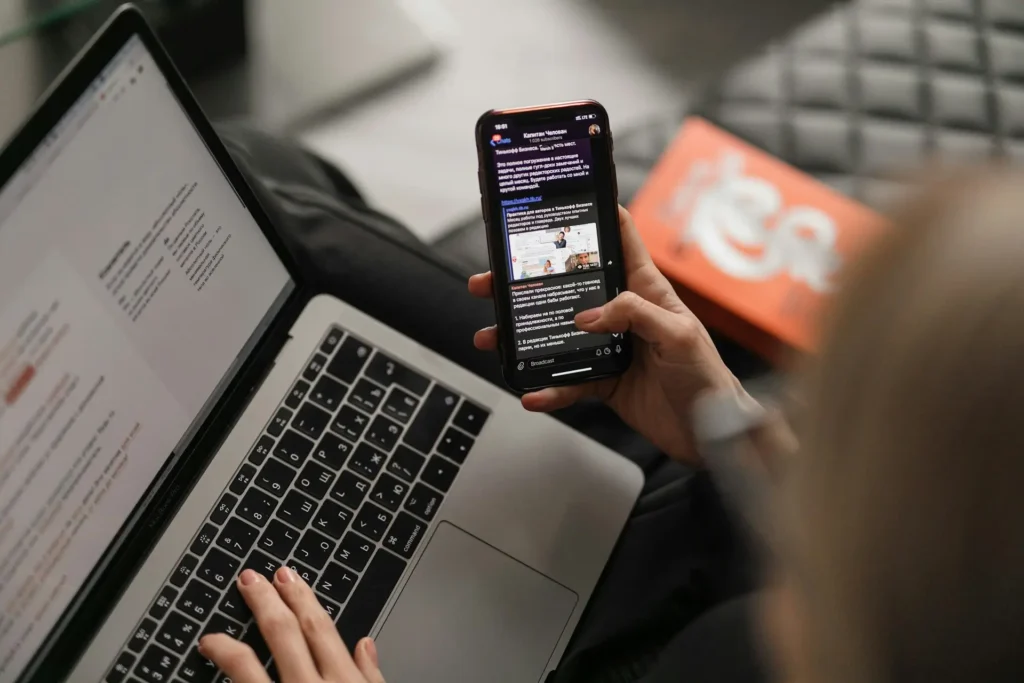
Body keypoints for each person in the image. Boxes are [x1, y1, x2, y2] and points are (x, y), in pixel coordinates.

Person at [203, 127, 1024, 682]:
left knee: (252, 168)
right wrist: (743, 438)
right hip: (678, 516)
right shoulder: (916, 615)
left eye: (836, 429)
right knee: (269, 165)